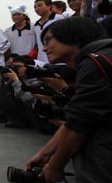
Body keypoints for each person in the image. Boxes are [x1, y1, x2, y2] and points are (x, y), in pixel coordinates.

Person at [26, 17, 112, 183]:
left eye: (49, 40)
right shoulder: (102, 56)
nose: (44, 48)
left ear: (73, 36)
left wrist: (55, 166)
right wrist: (45, 153)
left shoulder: (95, 62)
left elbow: (79, 124)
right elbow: (77, 117)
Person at [33, 0, 64, 64]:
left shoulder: (58, 18)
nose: (37, 9)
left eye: (40, 5)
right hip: (41, 59)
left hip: (58, 58)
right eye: (35, 7)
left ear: (49, 6)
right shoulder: (36, 25)